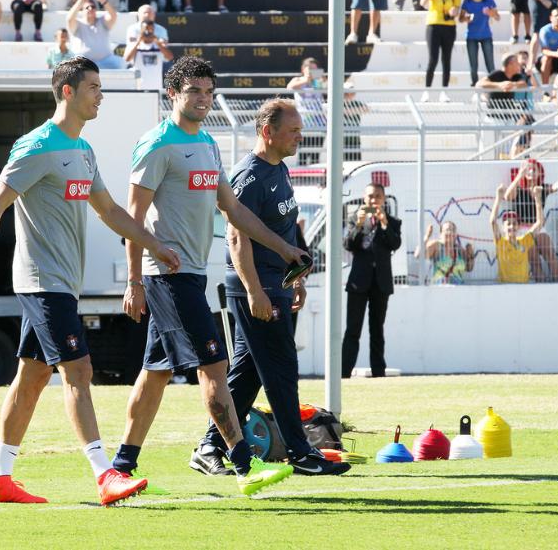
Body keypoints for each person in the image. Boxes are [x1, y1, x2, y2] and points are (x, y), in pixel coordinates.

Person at [0, 57, 181, 506]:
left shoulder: (83, 150)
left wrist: (153, 244)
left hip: (62, 283)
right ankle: (105, 475)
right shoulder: (36, 146)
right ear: (68, 92)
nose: (101, 95)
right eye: (94, 88)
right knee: (79, 370)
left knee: (32, 378)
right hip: (42, 281)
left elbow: (111, 211)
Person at [111, 56, 307, 496]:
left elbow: (233, 210)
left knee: (156, 373)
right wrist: (134, 280)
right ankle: (241, 464)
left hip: (193, 273)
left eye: (207, 91)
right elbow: (133, 217)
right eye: (193, 91)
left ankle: (121, 465)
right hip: (167, 275)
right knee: (214, 365)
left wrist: (283, 246)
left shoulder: (208, 145)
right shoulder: (157, 144)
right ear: (172, 94)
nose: (202, 99)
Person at [190, 99, 350, 478]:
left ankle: (210, 444)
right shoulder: (249, 175)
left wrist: (296, 278)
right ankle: (299, 451)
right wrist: (254, 291)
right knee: (281, 366)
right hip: (254, 285)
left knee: (249, 371)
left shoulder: (280, 170)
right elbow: (236, 235)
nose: (300, 136)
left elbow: (285, 229)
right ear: (268, 132)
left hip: (275, 282)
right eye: (293, 130)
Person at [341, 183, 402, 378]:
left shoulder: (393, 222)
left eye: (377, 196)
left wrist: (384, 223)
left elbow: (395, 243)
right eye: (370, 196)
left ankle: (378, 372)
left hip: (381, 283)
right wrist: (359, 225)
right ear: (364, 199)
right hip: (358, 282)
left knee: (377, 330)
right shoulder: (354, 219)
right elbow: (349, 244)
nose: (373, 200)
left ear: (384, 199)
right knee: (353, 330)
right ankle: (343, 373)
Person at [503, 159, 558, 281]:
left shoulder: (542, 188)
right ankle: (541, 286)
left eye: (535, 169)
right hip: (523, 229)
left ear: (540, 172)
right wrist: (519, 175)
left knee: (550, 255)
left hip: (539, 226)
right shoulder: (519, 190)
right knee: (534, 260)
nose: (531, 171)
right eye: (529, 169)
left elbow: (555, 186)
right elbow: (507, 196)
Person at [490, 183, 544, 283]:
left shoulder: (525, 241)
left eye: (514, 223)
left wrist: (537, 199)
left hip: (523, 289)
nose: (512, 226)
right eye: (508, 224)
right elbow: (493, 221)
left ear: (518, 226)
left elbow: (539, 223)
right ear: (503, 227)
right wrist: (498, 197)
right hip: (505, 288)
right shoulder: (500, 242)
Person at [420, 0, 461, 103]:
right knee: (433, 59)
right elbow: (423, 3)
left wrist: (453, 12)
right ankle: (427, 91)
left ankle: (444, 92)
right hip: (433, 26)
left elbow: (457, 9)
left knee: (446, 59)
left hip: (449, 27)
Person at [287, 57, 326, 165]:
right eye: (310, 69)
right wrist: (306, 79)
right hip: (304, 123)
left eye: (315, 69)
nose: (313, 72)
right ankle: (301, 178)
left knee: (315, 155)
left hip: (319, 123)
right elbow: (290, 88)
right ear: (303, 69)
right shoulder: (298, 80)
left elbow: (329, 88)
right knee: (303, 154)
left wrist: (322, 80)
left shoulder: (318, 82)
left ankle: (315, 179)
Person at [67, 0, 123, 70]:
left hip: (105, 61)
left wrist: (104, 1)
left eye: (93, 7)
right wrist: (80, 1)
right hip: (83, 63)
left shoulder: (102, 21)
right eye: (87, 7)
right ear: (82, 10)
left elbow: (113, 16)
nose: (90, 8)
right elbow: (69, 19)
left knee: (119, 64)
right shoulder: (77, 23)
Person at [528, 7, 558, 85]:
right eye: (556, 16)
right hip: (549, 57)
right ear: (551, 18)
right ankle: (545, 89)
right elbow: (544, 50)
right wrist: (556, 53)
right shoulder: (544, 30)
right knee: (546, 59)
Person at [476, 52, 528, 121]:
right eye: (516, 63)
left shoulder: (517, 76)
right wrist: (499, 85)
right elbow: (479, 83)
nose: (519, 64)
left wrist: (513, 84)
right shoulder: (497, 74)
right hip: (493, 117)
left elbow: (524, 84)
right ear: (510, 65)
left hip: (508, 118)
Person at [124, 20, 173, 90]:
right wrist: (139, 41)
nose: (148, 32)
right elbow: (127, 59)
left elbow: (170, 57)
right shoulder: (135, 45)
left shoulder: (159, 45)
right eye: (146, 29)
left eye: (151, 29)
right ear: (141, 30)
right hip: (139, 87)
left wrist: (157, 42)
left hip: (156, 87)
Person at [460, 0, 499, 87]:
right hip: (471, 36)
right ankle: (475, 87)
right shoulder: (467, 1)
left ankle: (494, 88)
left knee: (490, 64)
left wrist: (492, 13)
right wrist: (467, 18)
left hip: (486, 36)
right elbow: (461, 19)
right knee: (473, 65)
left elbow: (497, 17)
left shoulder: (489, 0)